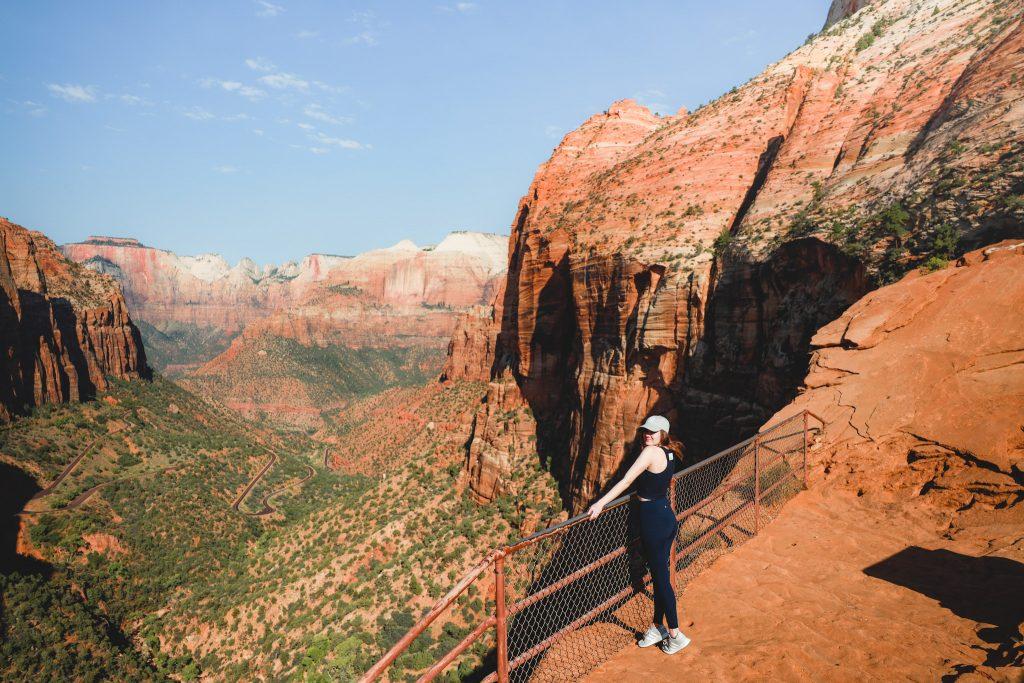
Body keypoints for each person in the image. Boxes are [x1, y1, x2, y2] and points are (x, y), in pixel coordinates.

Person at [587, 414, 691, 655]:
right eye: (645, 430)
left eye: (652, 432)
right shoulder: (669, 452)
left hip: (653, 521)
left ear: (662, 433)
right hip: (665, 517)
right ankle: (658, 627)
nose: (647, 434)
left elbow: (626, 481)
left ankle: (675, 634)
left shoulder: (650, 452)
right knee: (659, 575)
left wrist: (601, 503)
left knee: (661, 580)